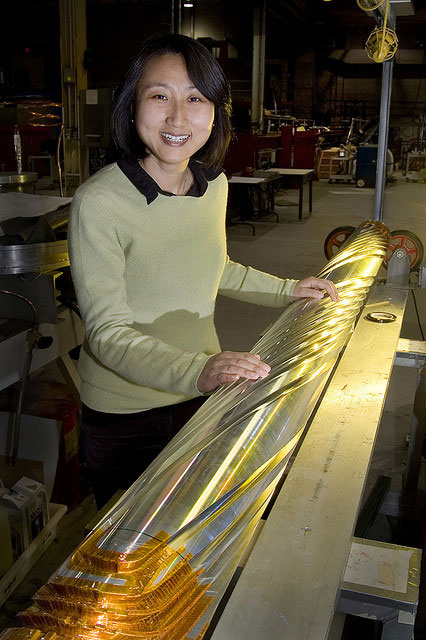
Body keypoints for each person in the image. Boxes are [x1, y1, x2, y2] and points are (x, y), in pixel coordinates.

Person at [69, 34, 338, 509]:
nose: (178, 117)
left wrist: (289, 290)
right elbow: (107, 333)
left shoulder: (213, 187)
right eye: (159, 96)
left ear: (215, 112)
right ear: (131, 107)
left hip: (199, 396)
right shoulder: (100, 202)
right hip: (127, 414)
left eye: (195, 98)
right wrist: (201, 370)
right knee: (132, 547)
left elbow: (217, 268)